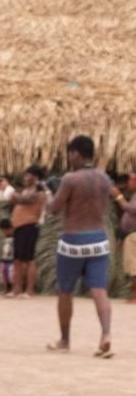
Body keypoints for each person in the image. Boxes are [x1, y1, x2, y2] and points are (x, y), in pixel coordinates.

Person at [48, 135, 117, 357]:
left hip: (73, 241)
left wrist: (50, 193)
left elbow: (54, 209)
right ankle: (106, 334)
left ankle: (65, 340)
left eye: (70, 154)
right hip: (99, 240)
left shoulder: (70, 179)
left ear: (76, 153)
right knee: (99, 290)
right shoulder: (104, 179)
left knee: (65, 291)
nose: (69, 158)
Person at [8, 166, 47, 298]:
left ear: (35, 178)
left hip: (29, 226)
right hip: (19, 227)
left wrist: (14, 196)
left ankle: (29, 290)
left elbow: (27, 200)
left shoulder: (39, 191)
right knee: (17, 259)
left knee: (28, 260)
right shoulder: (26, 190)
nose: (24, 178)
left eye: (28, 175)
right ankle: (16, 289)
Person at [115, 174, 136, 302]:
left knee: (133, 266)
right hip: (130, 235)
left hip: (134, 235)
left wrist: (118, 195)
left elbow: (131, 209)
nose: (128, 183)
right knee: (130, 265)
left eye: (130, 181)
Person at [0, 218, 16, 296]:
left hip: (12, 260)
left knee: (11, 275)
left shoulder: (15, 238)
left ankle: (12, 289)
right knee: (3, 274)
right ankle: (4, 289)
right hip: (4, 259)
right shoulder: (5, 239)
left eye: (5, 230)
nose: (4, 233)